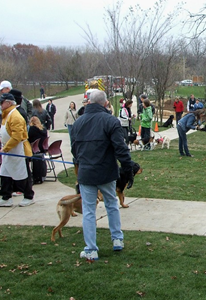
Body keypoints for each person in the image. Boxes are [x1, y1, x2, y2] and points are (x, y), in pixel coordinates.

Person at [71, 89, 134, 261]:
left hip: (87, 172)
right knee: (111, 204)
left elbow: (74, 151)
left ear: (89, 102)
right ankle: (117, 239)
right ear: (106, 103)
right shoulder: (111, 121)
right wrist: (128, 170)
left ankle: (92, 248)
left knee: (90, 210)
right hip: (106, 171)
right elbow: (121, 150)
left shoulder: (78, 123)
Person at [0, 93, 35, 207]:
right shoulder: (6, 114)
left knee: (23, 174)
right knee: (5, 174)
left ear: (9, 103)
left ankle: (28, 196)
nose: (0, 104)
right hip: (8, 150)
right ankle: (6, 197)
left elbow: (17, 136)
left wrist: (6, 148)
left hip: (18, 150)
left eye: (2, 102)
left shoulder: (15, 115)